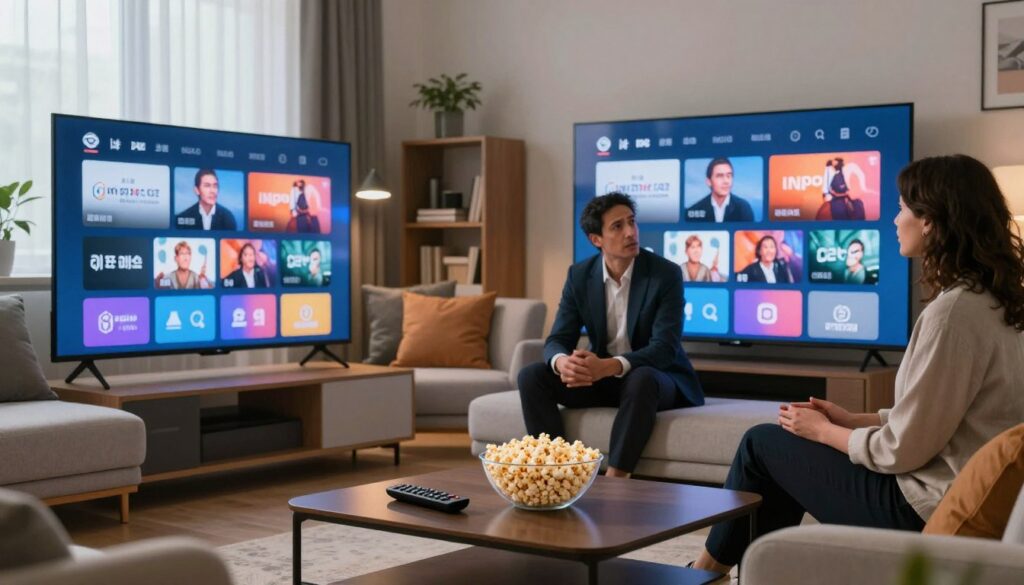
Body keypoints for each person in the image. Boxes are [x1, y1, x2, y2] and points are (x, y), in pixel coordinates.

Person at [691, 154, 1024, 577]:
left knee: (762, 444)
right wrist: (853, 419)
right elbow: (945, 418)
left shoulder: (952, 314)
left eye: (902, 207)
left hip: (917, 508)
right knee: (786, 453)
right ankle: (732, 571)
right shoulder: (999, 303)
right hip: (944, 487)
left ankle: (703, 572)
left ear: (930, 221)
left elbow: (903, 449)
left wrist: (826, 431)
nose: (893, 219)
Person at [518, 192, 704, 478]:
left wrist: (607, 366)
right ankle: (558, 473)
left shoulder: (664, 274)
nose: (630, 232)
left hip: (657, 378)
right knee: (532, 376)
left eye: (632, 222)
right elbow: (557, 339)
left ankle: (616, 478)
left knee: (641, 378)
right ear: (597, 240)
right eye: (617, 226)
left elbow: (664, 349)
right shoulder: (579, 276)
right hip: (603, 378)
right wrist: (561, 362)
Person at [686, 158, 755, 223]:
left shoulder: (743, 208)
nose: (726, 181)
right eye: (720, 176)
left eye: (729, 176)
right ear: (709, 181)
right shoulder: (694, 211)